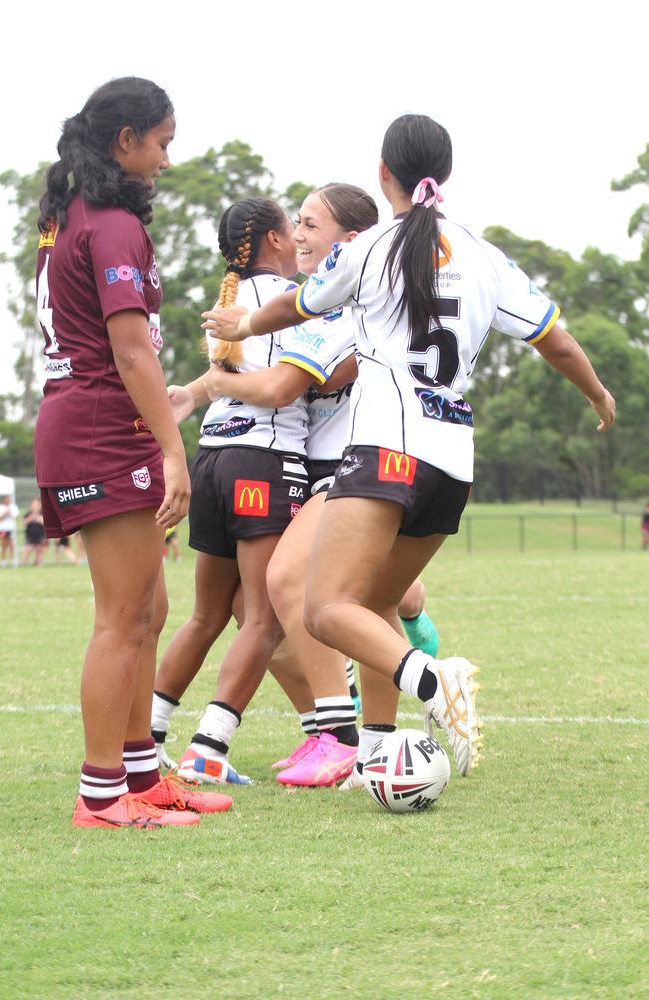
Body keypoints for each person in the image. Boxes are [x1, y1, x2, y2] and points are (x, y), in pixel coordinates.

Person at [204, 113, 616, 779]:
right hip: (453, 465)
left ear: (383, 172)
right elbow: (557, 341)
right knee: (372, 610)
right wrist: (599, 395)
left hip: (387, 452)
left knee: (325, 608)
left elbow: (298, 306)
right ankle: (376, 753)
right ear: (443, 174)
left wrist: (245, 320)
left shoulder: (368, 248)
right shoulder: (485, 255)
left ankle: (434, 682)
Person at [35, 76, 231, 828]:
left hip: (96, 425)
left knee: (151, 604)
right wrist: (174, 451)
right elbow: (130, 352)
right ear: (127, 141)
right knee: (123, 615)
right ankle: (102, 796)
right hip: (99, 430)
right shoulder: (110, 222)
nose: (166, 159)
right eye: (162, 142)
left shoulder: (74, 215)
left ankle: (143, 780)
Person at [151, 196, 337, 786]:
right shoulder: (283, 304)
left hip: (212, 458)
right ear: (276, 241)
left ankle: (147, 739)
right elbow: (282, 388)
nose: (301, 238)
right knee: (265, 620)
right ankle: (208, 749)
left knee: (208, 614)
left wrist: (201, 390)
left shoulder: (229, 300)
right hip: (263, 460)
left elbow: (229, 381)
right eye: (295, 226)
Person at [21, 499, 48, 566]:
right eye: (33, 504)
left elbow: (46, 523)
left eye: (36, 505)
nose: (35, 506)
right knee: (27, 549)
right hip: (30, 535)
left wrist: (39, 518)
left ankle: (39, 564)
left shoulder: (42, 514)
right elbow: (23, 522)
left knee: (39, 550)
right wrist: (31, 518)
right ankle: (22, 564)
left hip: (40, 535)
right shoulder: (28, 513)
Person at [0, 495, 19, 565]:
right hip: (3, 529)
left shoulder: (13, 507)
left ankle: (12, 560)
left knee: (12, 545)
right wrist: (4, 514)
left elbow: (16, 517)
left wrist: (10, 513)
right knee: (4, 545)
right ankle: (3, 561)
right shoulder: (0, 507)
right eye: (6, 499)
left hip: (11, 528)